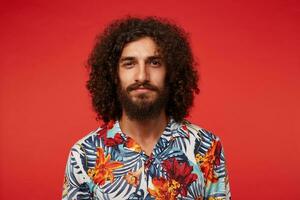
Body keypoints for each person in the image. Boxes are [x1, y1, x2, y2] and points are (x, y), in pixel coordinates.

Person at [62, 16, 231, 200]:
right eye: (129, 64)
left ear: (171, 72)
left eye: (154, 63)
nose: (142, 76)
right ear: (114, 75)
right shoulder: (84, 155)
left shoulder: (205, 148)